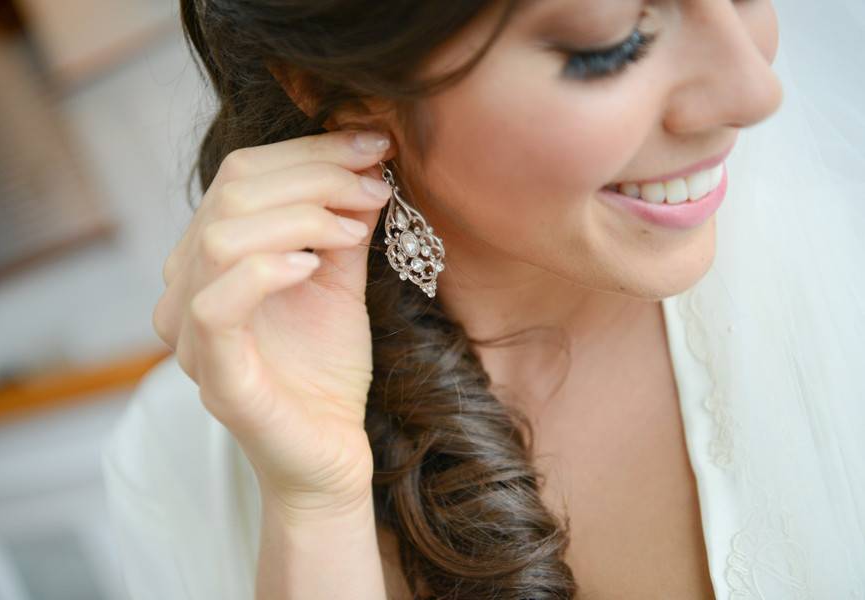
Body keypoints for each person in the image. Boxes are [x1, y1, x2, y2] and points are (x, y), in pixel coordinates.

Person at [101, 1, 865, 599]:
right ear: (343, 86)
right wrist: (314, 506)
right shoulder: (172, 459)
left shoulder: (841, 287)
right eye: (611, 44)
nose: (754, 91)